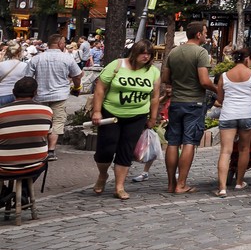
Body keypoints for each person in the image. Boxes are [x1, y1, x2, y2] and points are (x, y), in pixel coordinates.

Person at [89, 41, 160, 200]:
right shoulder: (117, 65)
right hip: (111, 114)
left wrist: (153, 117)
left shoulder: (153, 72)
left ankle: (119, 186)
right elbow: (100, 88)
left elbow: (154, 97)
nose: (146, 56)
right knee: (105, 149)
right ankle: (102, 175)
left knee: (126, 151)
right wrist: (97, 111)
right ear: (134, 53)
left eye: (149, 54)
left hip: (137, 116)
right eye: (143, 53)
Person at [162, 22, 217, 193]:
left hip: (176, 102)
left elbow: (165, 77)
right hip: (194, 102)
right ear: (198, 34)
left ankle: (171, 184)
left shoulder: (174, 51)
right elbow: (204, 80)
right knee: (189, 142)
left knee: (173, 142)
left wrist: (179, 84)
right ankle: (181, 184)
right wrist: (217, 89)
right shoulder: (201, 52)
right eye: (206, 33)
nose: (207, 36)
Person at [214, 48, 251, 197]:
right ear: (247, 59)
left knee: (225, 151)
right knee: (244, 149)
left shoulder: (224, 76)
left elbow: (220, 99)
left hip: (228, 114)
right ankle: (239, 182)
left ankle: (222, 188)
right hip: (247, 114)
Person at [27, 34, 81, 161]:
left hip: (40, 95)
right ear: (60, 44)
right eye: (63, 43)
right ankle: (51, 151)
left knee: (41, 122)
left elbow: (28, 78)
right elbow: (77, 75)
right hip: (59, 95)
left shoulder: (37, 59)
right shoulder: (67, 58)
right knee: (57, 121)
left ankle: (39, 148)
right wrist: (76, 88)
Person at [0, 40, 30, 106]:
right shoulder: (25, 65)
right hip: (18, 96)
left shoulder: (1, 65)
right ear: (19, 53)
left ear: (7, 53)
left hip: (2, 94)